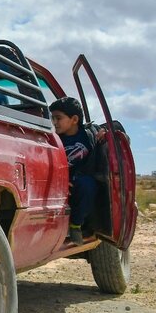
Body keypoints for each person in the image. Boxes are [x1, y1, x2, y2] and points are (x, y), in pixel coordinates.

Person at [49, 96, 99, 245]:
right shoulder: (54, 140)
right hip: (62, 184)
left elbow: (117, 130)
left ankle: (76, 226)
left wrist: (104, 134)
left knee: (88, 184)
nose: (55, 122)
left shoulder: (89, 134)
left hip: (82, 182)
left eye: (58, 118)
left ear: (74, 119)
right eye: (53, 118)